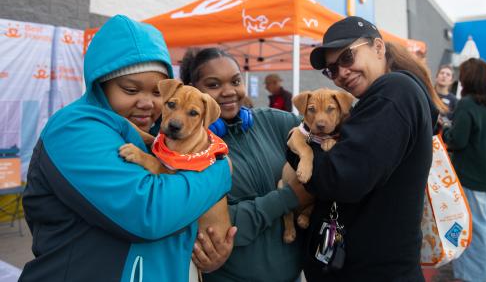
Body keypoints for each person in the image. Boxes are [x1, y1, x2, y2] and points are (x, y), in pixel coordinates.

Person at [20, 15, 232, 282]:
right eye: (130, 90)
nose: (146, 103)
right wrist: (219, 169)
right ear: (101, 84)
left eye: (157, 93)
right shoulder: (74, 129)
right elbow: (149, 212)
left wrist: (208, 254)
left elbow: (184, 212)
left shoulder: (160, 134)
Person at [287, 15, 443, 281]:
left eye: (347, 57)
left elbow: (341, 178)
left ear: (379, 48)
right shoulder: (387, 96)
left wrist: (294, 144)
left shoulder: (393, 91)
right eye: (332, 70)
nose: (342, 73)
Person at [180, 48, 308, 282]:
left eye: (236, 81)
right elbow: (214, 228)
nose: (229, 92)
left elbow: (326, 128)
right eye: (213, 84)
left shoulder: (273, 121)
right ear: (192, 90)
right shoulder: (184, 148)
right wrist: (290, 197)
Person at [443, 59, 486, 282]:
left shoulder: (468, 104)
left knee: (478, 232)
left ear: (468, 78)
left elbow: (457, 140)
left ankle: (481, 278)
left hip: (473, 179)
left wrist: (445, 130)